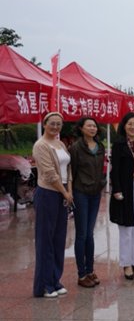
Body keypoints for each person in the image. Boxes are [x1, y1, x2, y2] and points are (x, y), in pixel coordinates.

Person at [33, 112, 73, 298]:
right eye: (52, 123)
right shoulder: (41, 145)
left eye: (58, 124)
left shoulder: (60, 144)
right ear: (45, 124)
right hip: (48, 193)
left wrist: (69, 190)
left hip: (63, 192)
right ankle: (44, 285)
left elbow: (68, 169)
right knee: (45, 240)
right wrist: (64, 192)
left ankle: (55, 279)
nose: (55, 127)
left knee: (58, 239)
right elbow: (50, 173)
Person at [109, 112, 134, 280]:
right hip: (126, 188)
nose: (133, 127)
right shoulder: (119, 145)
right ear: (124, 126)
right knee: (126, 226)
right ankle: (126, 264)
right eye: (130, 124)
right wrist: (117, 189)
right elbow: (115, 169)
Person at [68, 117, 105, 288]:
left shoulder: (100, 147)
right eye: (88, 126)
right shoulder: (75, 148)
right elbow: (72, 172)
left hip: (95, 193)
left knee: (90, 233)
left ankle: (90, 270)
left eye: (94, 126)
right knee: (82, 234)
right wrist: (71, 192)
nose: (92, 128)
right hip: (80, 193)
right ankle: (81, 274)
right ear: (81, 128)